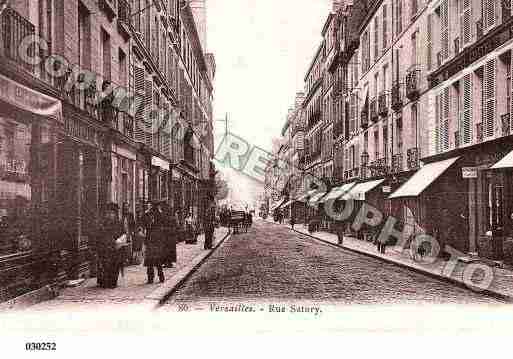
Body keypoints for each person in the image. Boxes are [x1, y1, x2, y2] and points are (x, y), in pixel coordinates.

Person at [96, 203, 125, 288]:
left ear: (115, 214)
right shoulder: (103, 223)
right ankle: (105, 281)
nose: (109, 215)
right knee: (105, 265)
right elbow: (99, 235)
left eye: (111, 213)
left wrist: (119, 241)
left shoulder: (119, 223)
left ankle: (113, 282)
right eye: (108, 213)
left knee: (115, 265)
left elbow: (123, 234)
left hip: (116, 248)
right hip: (105, 248)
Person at [143, 201, 167, 284]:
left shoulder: (159, 215)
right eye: (148, 205)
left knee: (157, 260)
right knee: (149, 259)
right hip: (149, 239)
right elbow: (144, 224)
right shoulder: (146, 215)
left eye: (150, 206)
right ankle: (150, 278)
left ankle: (161, 276)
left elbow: (162, 224)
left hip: (157, 240)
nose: (149, 207)